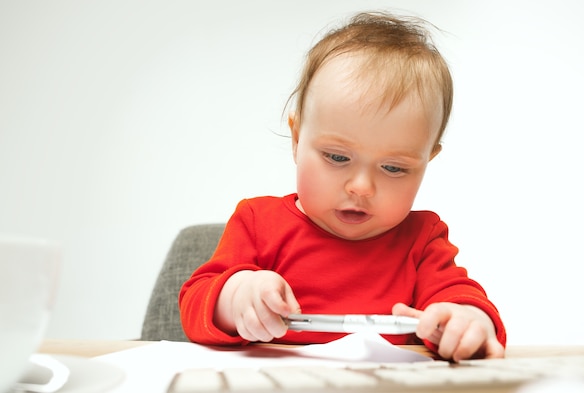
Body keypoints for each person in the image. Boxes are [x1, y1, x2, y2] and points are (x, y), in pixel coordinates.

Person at [179, 11, 506, 361]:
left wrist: (468, 320)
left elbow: (458, 294)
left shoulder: (422, 238)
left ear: (428, 160)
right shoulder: (257, 221)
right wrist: (235, 296)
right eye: (337, 158)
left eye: (394, 167)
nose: (361, 186)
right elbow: (195, 303)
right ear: (297, 138)